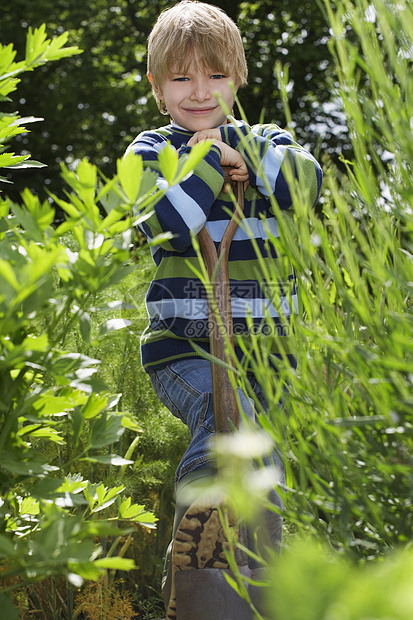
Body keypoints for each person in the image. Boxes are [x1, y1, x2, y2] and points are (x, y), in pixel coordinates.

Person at [126, 1, 323, 617]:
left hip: (268, 352)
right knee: (226, 424)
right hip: (185, 346)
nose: (200, 91)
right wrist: (210, 163)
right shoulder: (150, 151)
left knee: (261, 462)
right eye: (181, 78)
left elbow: (304, 186)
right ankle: (197, 558)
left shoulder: (267, 141)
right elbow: (168, 226)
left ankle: (239, 591)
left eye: (214, 75)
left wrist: (241, 149)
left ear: (237, 78)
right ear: (158, 89)